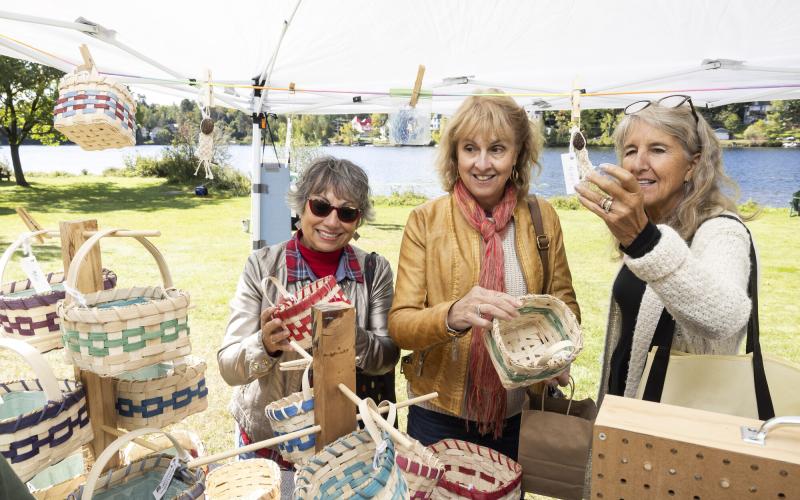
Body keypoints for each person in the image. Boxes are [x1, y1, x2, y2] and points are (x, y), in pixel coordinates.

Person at [388, 92, 580, 461]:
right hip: (437, 414)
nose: (482, 164)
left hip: (518, 414)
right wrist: (452, 314)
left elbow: (565, 305)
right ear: (454, 154)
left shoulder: (543, 217)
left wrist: (558, 353)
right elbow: (400, 325)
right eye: (470, 148)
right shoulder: (425, 221)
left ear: (518, 154)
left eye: (497, 149)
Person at [218, 156, 399, 465]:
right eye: (320, 206)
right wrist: (264, 345)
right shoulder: (262, 266)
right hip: (273, 440)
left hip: (348, 442)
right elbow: (228, 366)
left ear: (358, 220)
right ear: (300, 206)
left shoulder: (374, 270)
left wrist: (347, 335)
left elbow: (386, 356)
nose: (331, 222)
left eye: (346, 212)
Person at [574, 95, 754, 402]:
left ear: (692, 165)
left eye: (657, 150)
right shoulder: (655, 226)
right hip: (626, 413)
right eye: (630, 151)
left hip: (678, 428)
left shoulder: (721, 230)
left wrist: (643, 240)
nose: (638, 164)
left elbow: (725, 317)